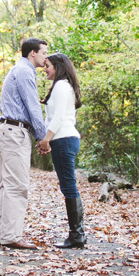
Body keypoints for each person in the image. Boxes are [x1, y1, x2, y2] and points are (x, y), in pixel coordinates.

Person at [0, 37, 48, 250]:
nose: (46, 57)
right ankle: (11, 236)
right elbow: (33, 107)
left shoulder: (18, 70)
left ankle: (8, 234)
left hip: (9, 131)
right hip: (14, 131)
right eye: (44, 52)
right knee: (17, 186)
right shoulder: (26, 71)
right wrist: (42, 137)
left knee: (8, 185)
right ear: (32, 53)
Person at [37, 53, 85, 249]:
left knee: (68, 187)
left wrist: (46, 140)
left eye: (47, 65)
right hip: (64, 139)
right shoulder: (64, 86)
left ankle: (77, 235)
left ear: (58, 67)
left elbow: (57, 119)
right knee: (68, 186)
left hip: (63, 139)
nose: (44, 69)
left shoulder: (61, 86)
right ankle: (77, 234)